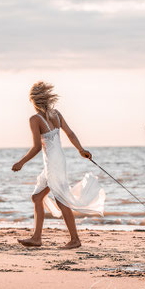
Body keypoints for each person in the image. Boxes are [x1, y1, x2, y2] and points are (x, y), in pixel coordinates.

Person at [12, 82, 105, 249]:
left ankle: (74, 239)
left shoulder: (35, 119)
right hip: (57, 161)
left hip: (53, 164)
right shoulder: (57, 114)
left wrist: (21, 162)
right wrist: (80, 149)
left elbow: (37, 147)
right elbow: (70, 133)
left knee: (61, 199)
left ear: (34, 101)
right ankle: (37, 238)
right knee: (37, 197)